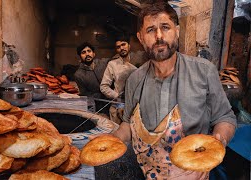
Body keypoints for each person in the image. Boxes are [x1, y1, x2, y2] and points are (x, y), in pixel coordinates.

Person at [110, 2, 237, 179]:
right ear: (140, 37)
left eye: (165, 27)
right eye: (150, 30)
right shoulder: (134, 80)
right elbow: (127, 125)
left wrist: (219, 139)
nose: (159, 36)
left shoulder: (204, 71)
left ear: (176, 30)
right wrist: (112, 140)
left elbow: (225, 117)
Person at [100, 34, 137, 124]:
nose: (121, 48)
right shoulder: (112, 64)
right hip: (118, 107)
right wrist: (116, 96)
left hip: (136, 107)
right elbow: (103, 86)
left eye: (123, 44)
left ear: (129, 45)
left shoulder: (139, 60)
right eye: (118, 47)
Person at [74, 42, 110, 114]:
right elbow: (85, 95)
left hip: (112, 102)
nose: (87, 54)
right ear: (80, 56)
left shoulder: (104, 63)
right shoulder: (78, 74)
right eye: (83, 52)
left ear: (94, 54)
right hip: (97, 107)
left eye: (89, 51)